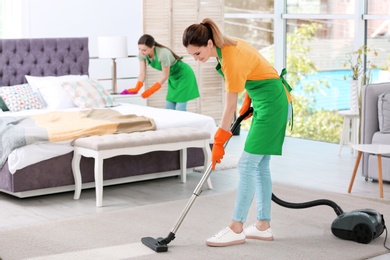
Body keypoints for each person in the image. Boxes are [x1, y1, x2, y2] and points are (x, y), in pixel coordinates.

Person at [182, 18, 292, 247]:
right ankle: (263, 225)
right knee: (259, 165)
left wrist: (219, 141)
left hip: (272, 104)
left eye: (197, 53)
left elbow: (229, 108)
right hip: (267, 100)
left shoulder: (229, 58)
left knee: (246, 165)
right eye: (192, 55)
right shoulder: (227, 47)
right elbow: (258, 69)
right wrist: (250, 100)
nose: (195, 59)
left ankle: (236, 227)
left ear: (210, 43)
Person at [121, 34, 200, 111]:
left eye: (144, 50)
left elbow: (165, 76)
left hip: (184, 76)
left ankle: (183, 124)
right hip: (172, 77)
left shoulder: (163, 53)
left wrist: (151, 90)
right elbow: (142, 74)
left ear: (152, 47)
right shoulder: (142, 54)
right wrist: (136, 88)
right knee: (169, 107)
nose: (141, 52)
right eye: (139, 49)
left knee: (180, 108)